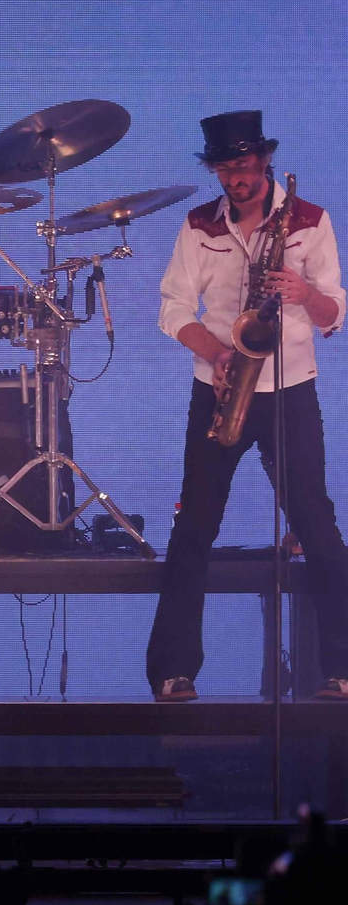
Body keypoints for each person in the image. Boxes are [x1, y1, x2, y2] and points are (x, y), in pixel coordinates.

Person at [148, 110, 348, 702]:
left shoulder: (308, 221)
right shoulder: (198, 224)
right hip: (219, 383)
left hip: (290, 387)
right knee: (193, 528)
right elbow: (172, 308)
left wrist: (304, 292)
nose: (233, 178)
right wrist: (215, 353)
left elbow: (335, 313)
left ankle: (340, 667)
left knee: (316, 524)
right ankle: (172, 671)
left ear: (263, 159)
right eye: (222, 168)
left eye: (241, 165)